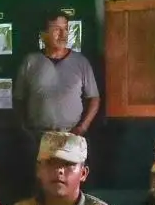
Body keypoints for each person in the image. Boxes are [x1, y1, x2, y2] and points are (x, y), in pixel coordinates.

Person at [14, 10, 100, 150]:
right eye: (57, 30)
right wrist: (24, 129)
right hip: (39, 138)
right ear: (43, 35)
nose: (63, 34)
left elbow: (94, 98)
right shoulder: (30, 62)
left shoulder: (81, 62)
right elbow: (18, 99)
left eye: (66, 29)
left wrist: (82, 128)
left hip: (72, 137)